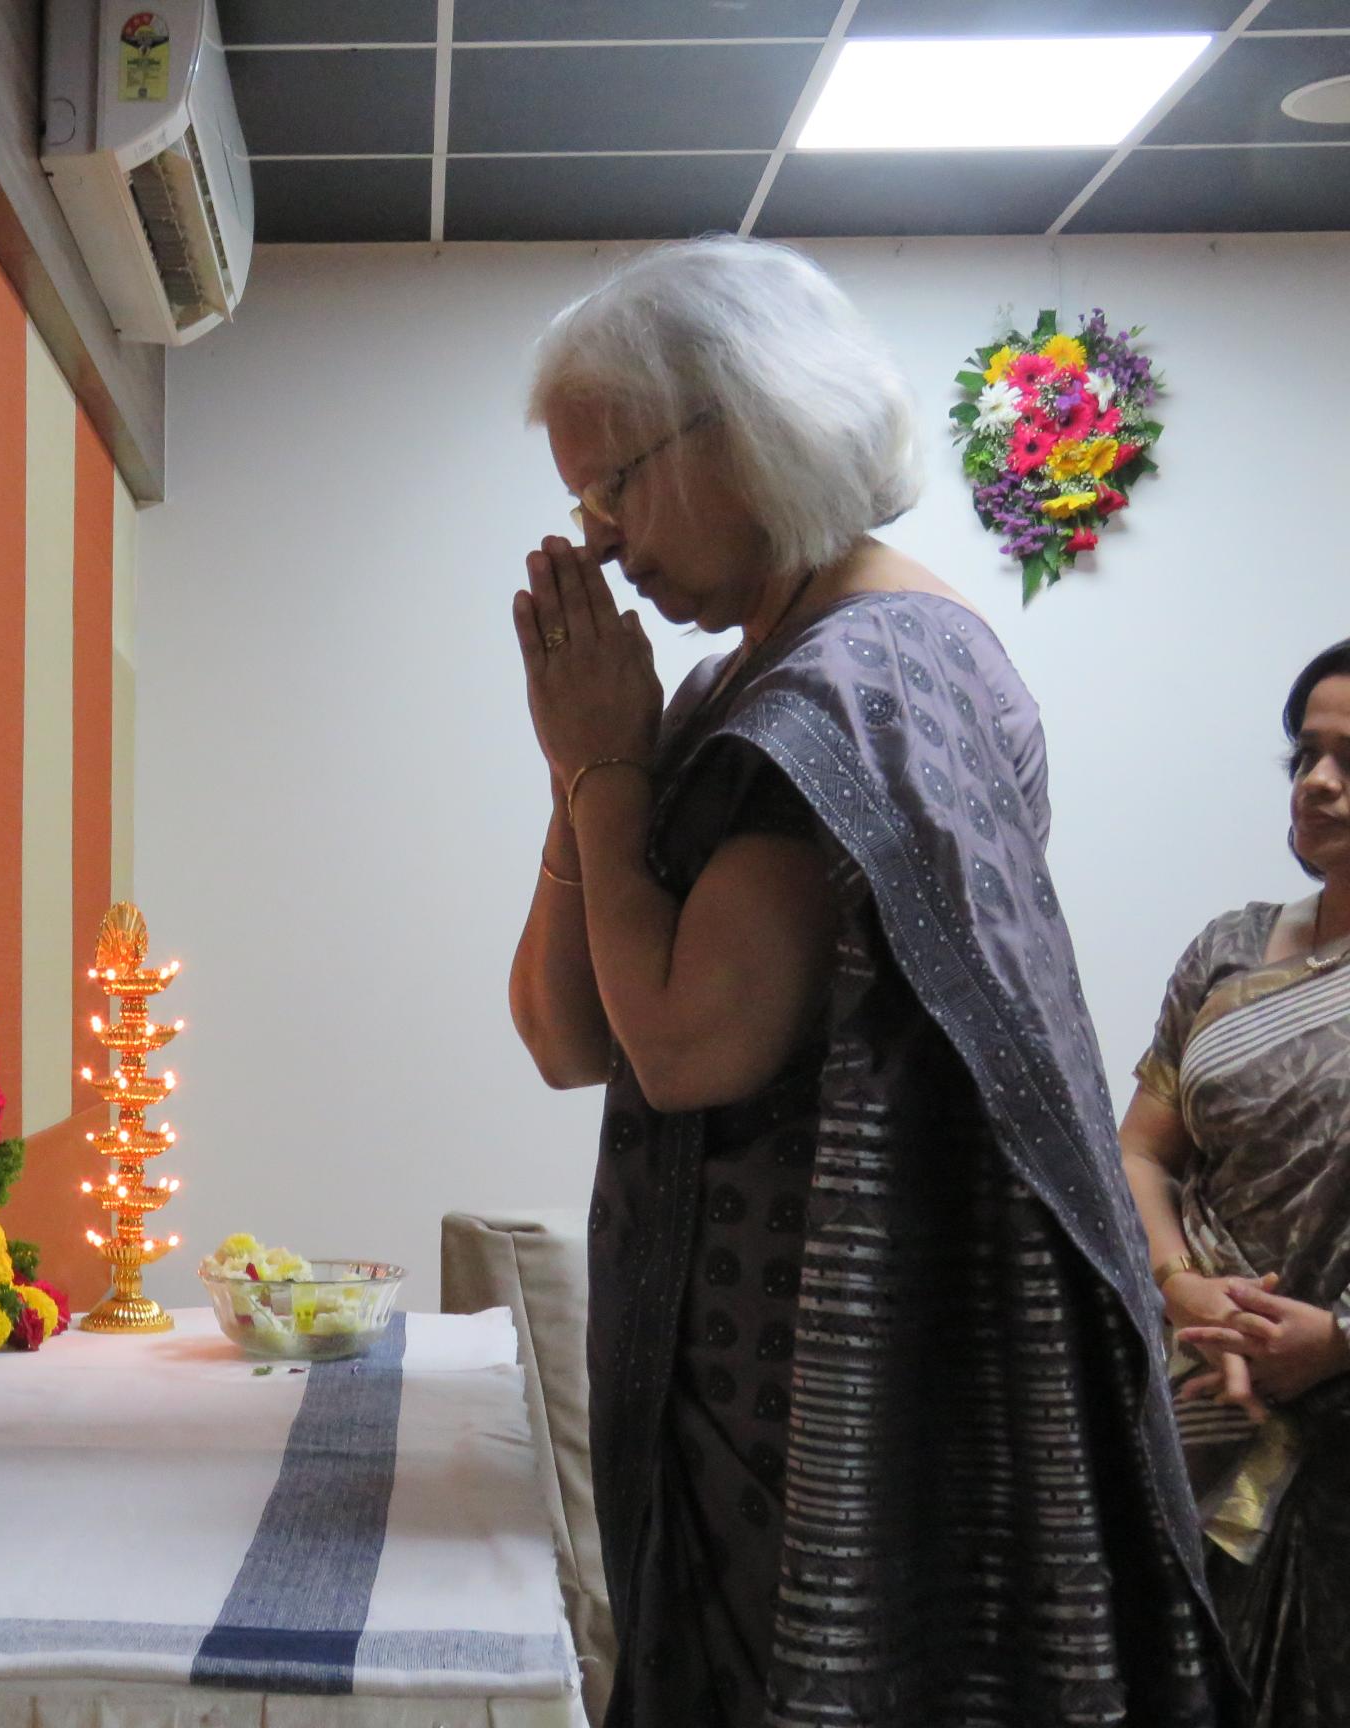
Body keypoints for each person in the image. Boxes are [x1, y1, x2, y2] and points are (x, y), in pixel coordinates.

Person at [505, 236, 1227, 1727]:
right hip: (728, 1371)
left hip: (845, 1375)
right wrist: (592, 766)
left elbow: (688, 1047)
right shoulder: (732, 683)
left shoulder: (870, 679)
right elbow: (567, 1034)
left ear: (746, 425)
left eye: (616, 485)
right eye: (583, 505)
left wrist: (605, 766)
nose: (605, 545)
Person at [1117, 638, 1350, 1726]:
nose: (1318, 783)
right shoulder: (1230, 951)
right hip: (1193, 1399)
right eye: (1305, 755)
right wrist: (1179, 1286)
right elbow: (1140, 1152)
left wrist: (1337, 1342)